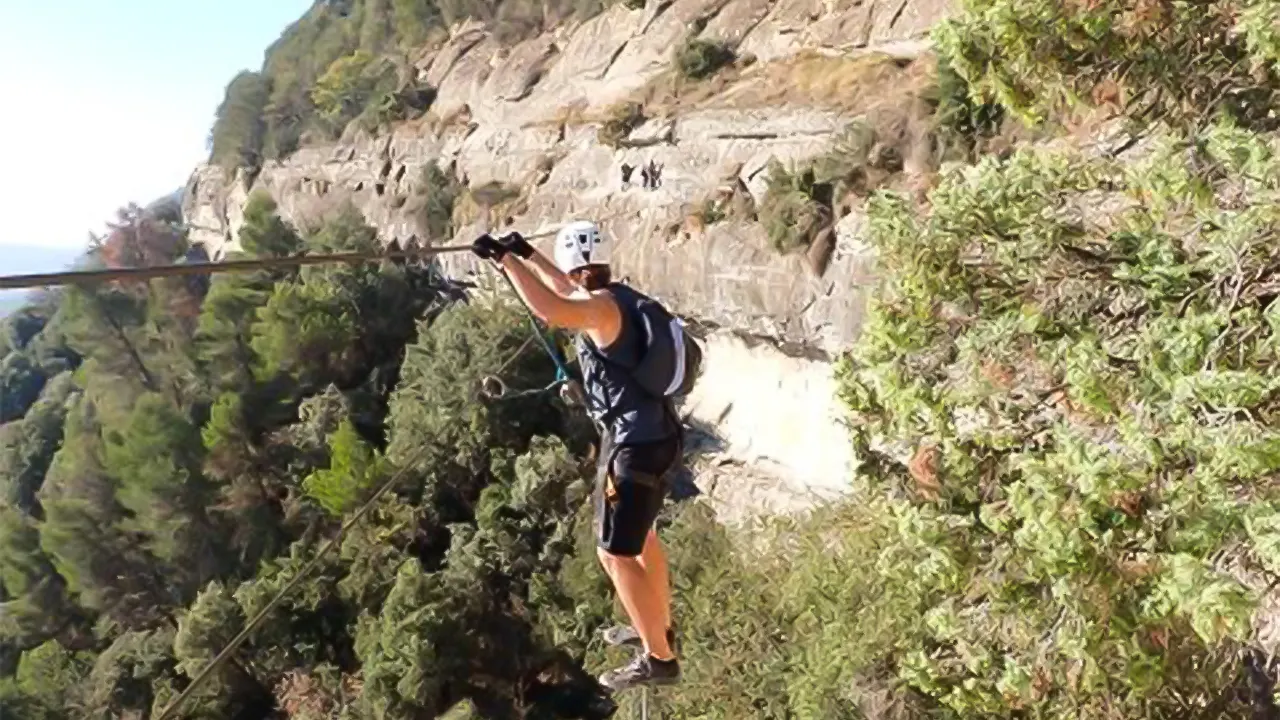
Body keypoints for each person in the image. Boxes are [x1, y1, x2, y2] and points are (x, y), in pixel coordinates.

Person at [470, 221, 683, 692]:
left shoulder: (601, 310)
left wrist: (503, 261)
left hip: (633, 446)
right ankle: (657, 627)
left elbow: (551, 308)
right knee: (642, 537)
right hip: (658, 434)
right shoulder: (618, 297)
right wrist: (527, 255)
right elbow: (567, 287)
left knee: (614, 552)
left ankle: (659, 658)